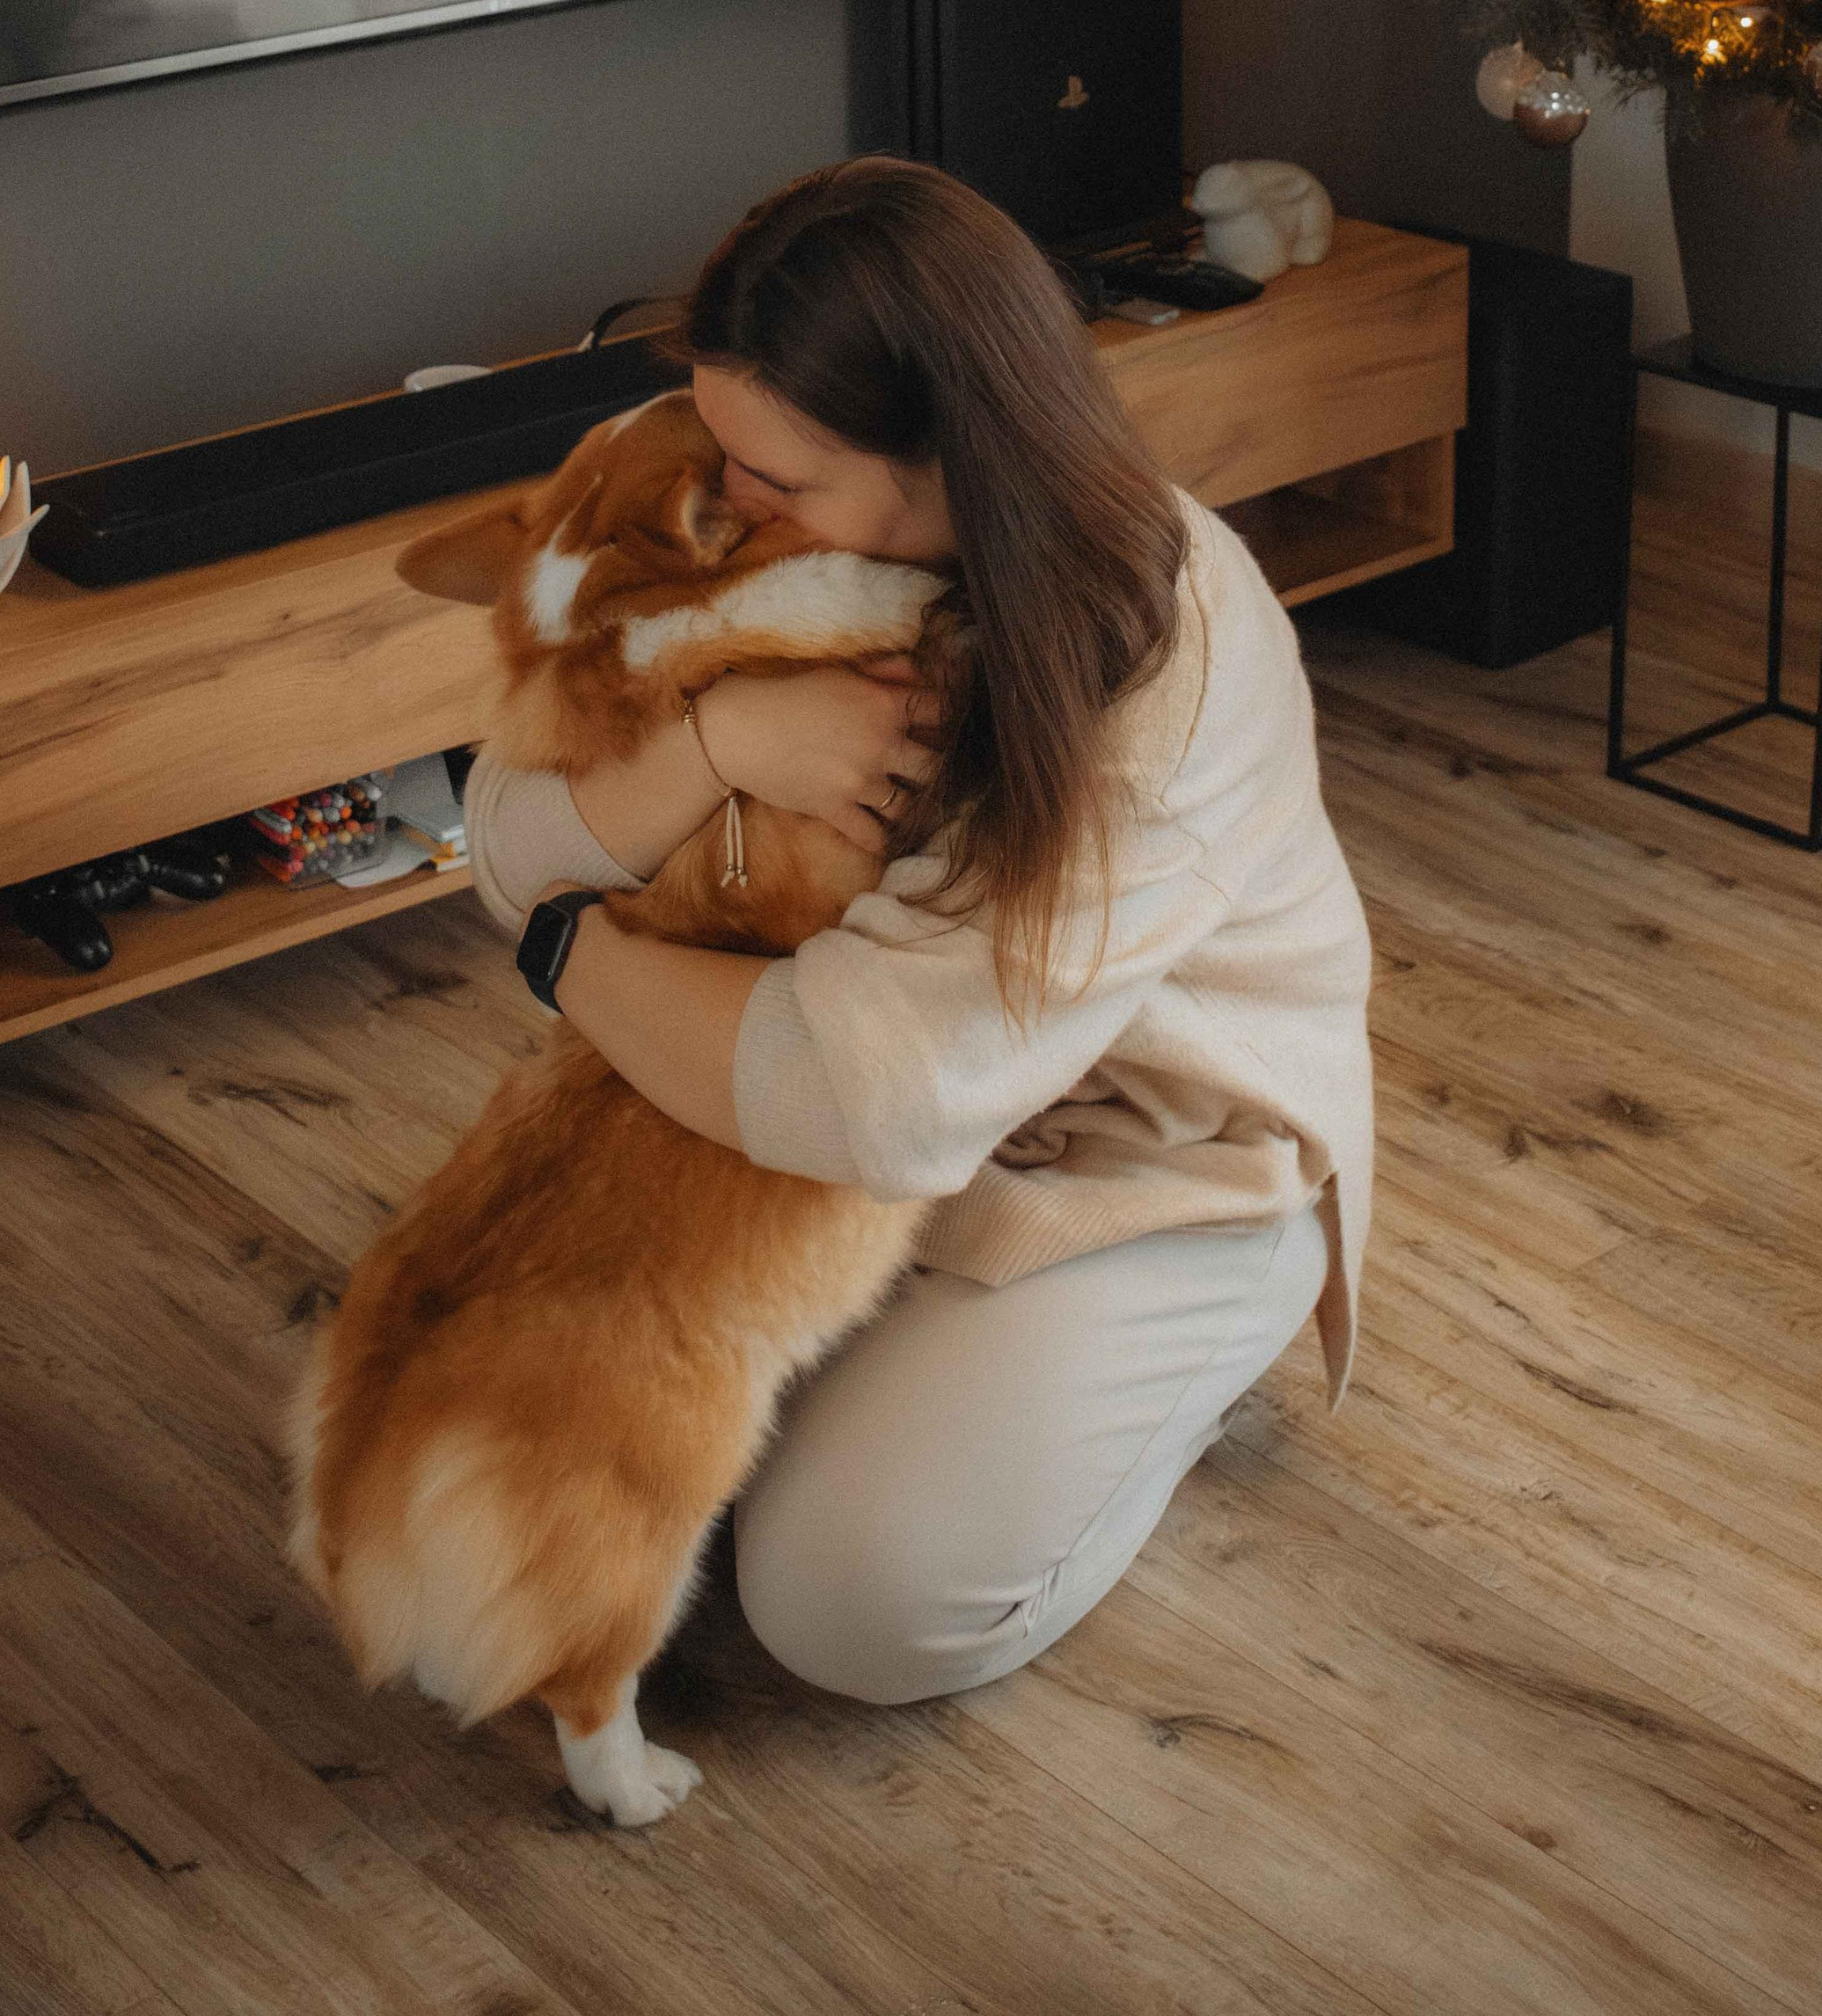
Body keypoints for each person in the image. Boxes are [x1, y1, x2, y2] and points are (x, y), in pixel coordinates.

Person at [461, 157, 1373, 1707]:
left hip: (1134, 1159)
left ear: (949, 450)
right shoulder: (774, 514)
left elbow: (869, 1097)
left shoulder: (1164, 661)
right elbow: (500, 829)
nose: (726, 500)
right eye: (722, 446)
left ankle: (1200, 1353)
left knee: (847, 1603)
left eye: (780, 480)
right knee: (538, 1459)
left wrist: (568, 954)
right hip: (836, 1122)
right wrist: (723, 741)